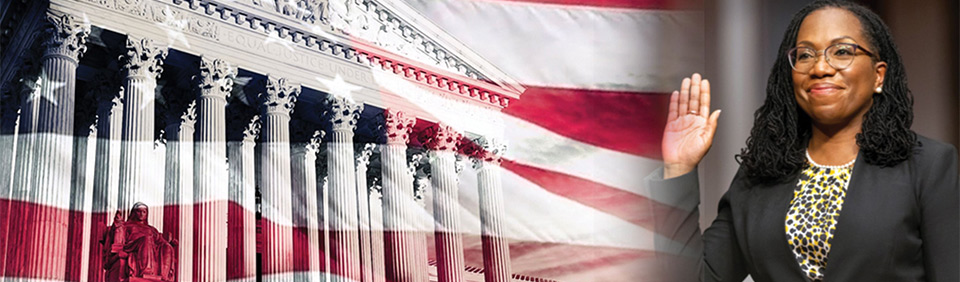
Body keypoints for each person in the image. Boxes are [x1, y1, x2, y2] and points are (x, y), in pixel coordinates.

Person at [646, 1, 959, 281]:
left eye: (842, 51)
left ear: (879, 75)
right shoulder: (762, 173)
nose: (820, 68)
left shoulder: (928, 166)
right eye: (805, 55)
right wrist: (678, 168)